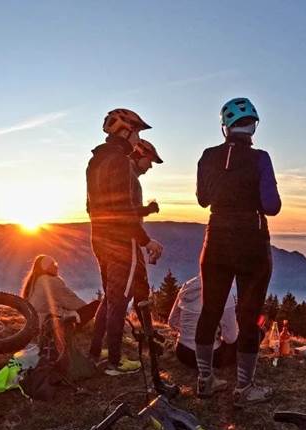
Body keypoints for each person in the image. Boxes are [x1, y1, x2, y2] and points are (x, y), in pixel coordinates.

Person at [194, 97, 281, 406]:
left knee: (210, 309)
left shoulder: (207, 156)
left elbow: (203, 199)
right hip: (251, 242)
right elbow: (272, 206)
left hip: (215, 238)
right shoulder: (261, 158)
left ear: (225, 128)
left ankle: (205, 380)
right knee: (249, 314)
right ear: (253, 126)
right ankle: (244, 388)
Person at [86, 108, 164, 376]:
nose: (137, 138)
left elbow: (95, 207)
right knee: (119, 300)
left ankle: (98, 352)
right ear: (125, 130)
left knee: (110, 296)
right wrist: (146, 240)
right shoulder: (119, 161)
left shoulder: (96, 161)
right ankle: (115, 362)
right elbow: (123, 210)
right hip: (122, 240)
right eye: (137, 132)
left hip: (100, 236)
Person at [168, 276, 237, 369]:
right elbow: (230, 339)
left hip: (182, 352)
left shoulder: (186, 286)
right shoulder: (225, 293)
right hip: (209, 357)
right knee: (254, 334)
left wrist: (188, 332)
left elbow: (172, 321)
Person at [20, 254, 99, 327]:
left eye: (56, 263)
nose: (56, 266)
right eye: (53, 264)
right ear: (46, 268)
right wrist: (87, 310)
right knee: (97, 305)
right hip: (51, 321)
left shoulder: (36, 281)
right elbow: (70, 300)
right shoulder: (51, 281)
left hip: (37, 322)